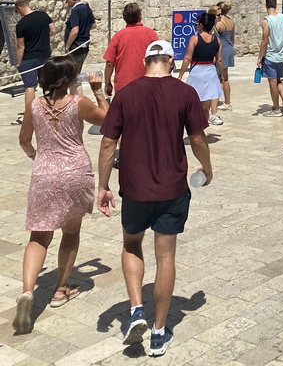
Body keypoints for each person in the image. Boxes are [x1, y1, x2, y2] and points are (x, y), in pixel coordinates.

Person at [97, 40, 212, 354]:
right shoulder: (184, 93)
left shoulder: (126, 94)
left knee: (131, 244)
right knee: (166, 257)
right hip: (172, 187)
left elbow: (108, 144)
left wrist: (103, 185)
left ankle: (136, 309)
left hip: (134, 187)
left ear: (145, 62)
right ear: (171, 63)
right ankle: (159, 333)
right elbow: (198, 137)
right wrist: (207, 167)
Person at [13, 56, 108, 334]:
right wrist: (99, 91)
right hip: (75, 173)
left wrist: (37, 157)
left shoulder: (33, 106)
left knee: (39, 236)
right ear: (68, 80)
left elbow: (23, 140)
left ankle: (28, 290)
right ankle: (61, 289)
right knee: (70, 233)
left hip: (44, 173)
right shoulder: (78, 104)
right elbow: (109, 120)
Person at [178, 12, 224, 125]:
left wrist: (180, 75)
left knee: (195, 102)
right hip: (210, 72)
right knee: (205, 105)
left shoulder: (195, 39)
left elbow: (187, 58)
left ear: (201, 25)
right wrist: (221, 74)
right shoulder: (217, 40)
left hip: (197, 72)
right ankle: (204, 126)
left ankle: (198, 127)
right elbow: (219, 60)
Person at [104, 3, 159, 96]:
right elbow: (158, 59)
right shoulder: (151, 34)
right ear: (140, 17)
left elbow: (109, 63)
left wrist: (107, 83)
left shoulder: (118, 36)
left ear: (124, 18)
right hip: (147, 84)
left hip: (123, 85)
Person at [14, 0, 55, 116]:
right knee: (47, 84)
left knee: (30, 86)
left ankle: (29, 114)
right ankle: (51, 109)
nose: (18, 14)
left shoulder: (21, 24)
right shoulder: (43, 15)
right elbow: (53, 30)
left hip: (29, 58)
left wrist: (18, 63)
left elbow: (20, 46)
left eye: (17, 11)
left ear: (19, 8)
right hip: (45, 55)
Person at [258, 0, 283, 116]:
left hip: (271, 56)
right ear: (276, 5)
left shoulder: (266, 21)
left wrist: (259, 57)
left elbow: (264, 41)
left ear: (266, 6)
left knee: (272, 82)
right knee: (279, 80)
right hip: (282, 55)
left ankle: (276, 109)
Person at [63, 0, 95, 88]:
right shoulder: (86, 8)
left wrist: (67, 46)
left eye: (67, 0)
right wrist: (84, 31)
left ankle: (76, 99)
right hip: (84, 45)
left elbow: (75, 30)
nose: (66, 2)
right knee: (77, 74)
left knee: (73, 77)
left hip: (76, 46)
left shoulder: (76, 10)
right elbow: (93, 25)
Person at [215, 1, 235, 110]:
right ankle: (226, 101)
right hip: (229, 48)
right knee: (225, 76)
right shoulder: (231, 21)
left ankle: (222, 102)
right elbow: (233, 38)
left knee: (221, 77)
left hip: (221, 50)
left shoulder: (218, 23)